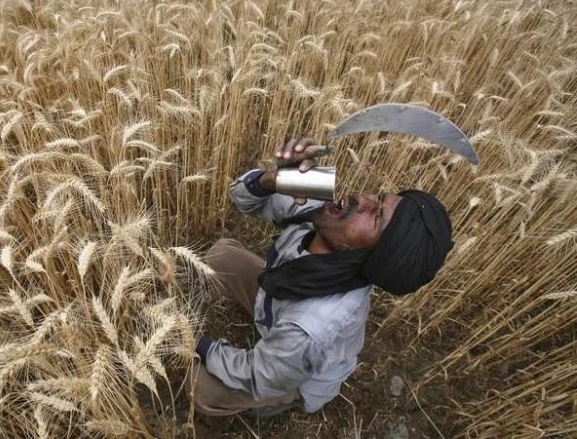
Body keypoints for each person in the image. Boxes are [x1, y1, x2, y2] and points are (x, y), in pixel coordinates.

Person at [190, 137, 453, 417]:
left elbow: (259, 375)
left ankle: (285, 401)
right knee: (221, 255)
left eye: (376, 217)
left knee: (199, 386)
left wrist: (204, 347)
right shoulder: (327, 215)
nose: (362, 198)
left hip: (301, 372)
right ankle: (272, 333)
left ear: (370, 255)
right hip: (279, 308)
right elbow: (243, 198)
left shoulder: (313, 327)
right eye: (378, 197)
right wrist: (272, 180)